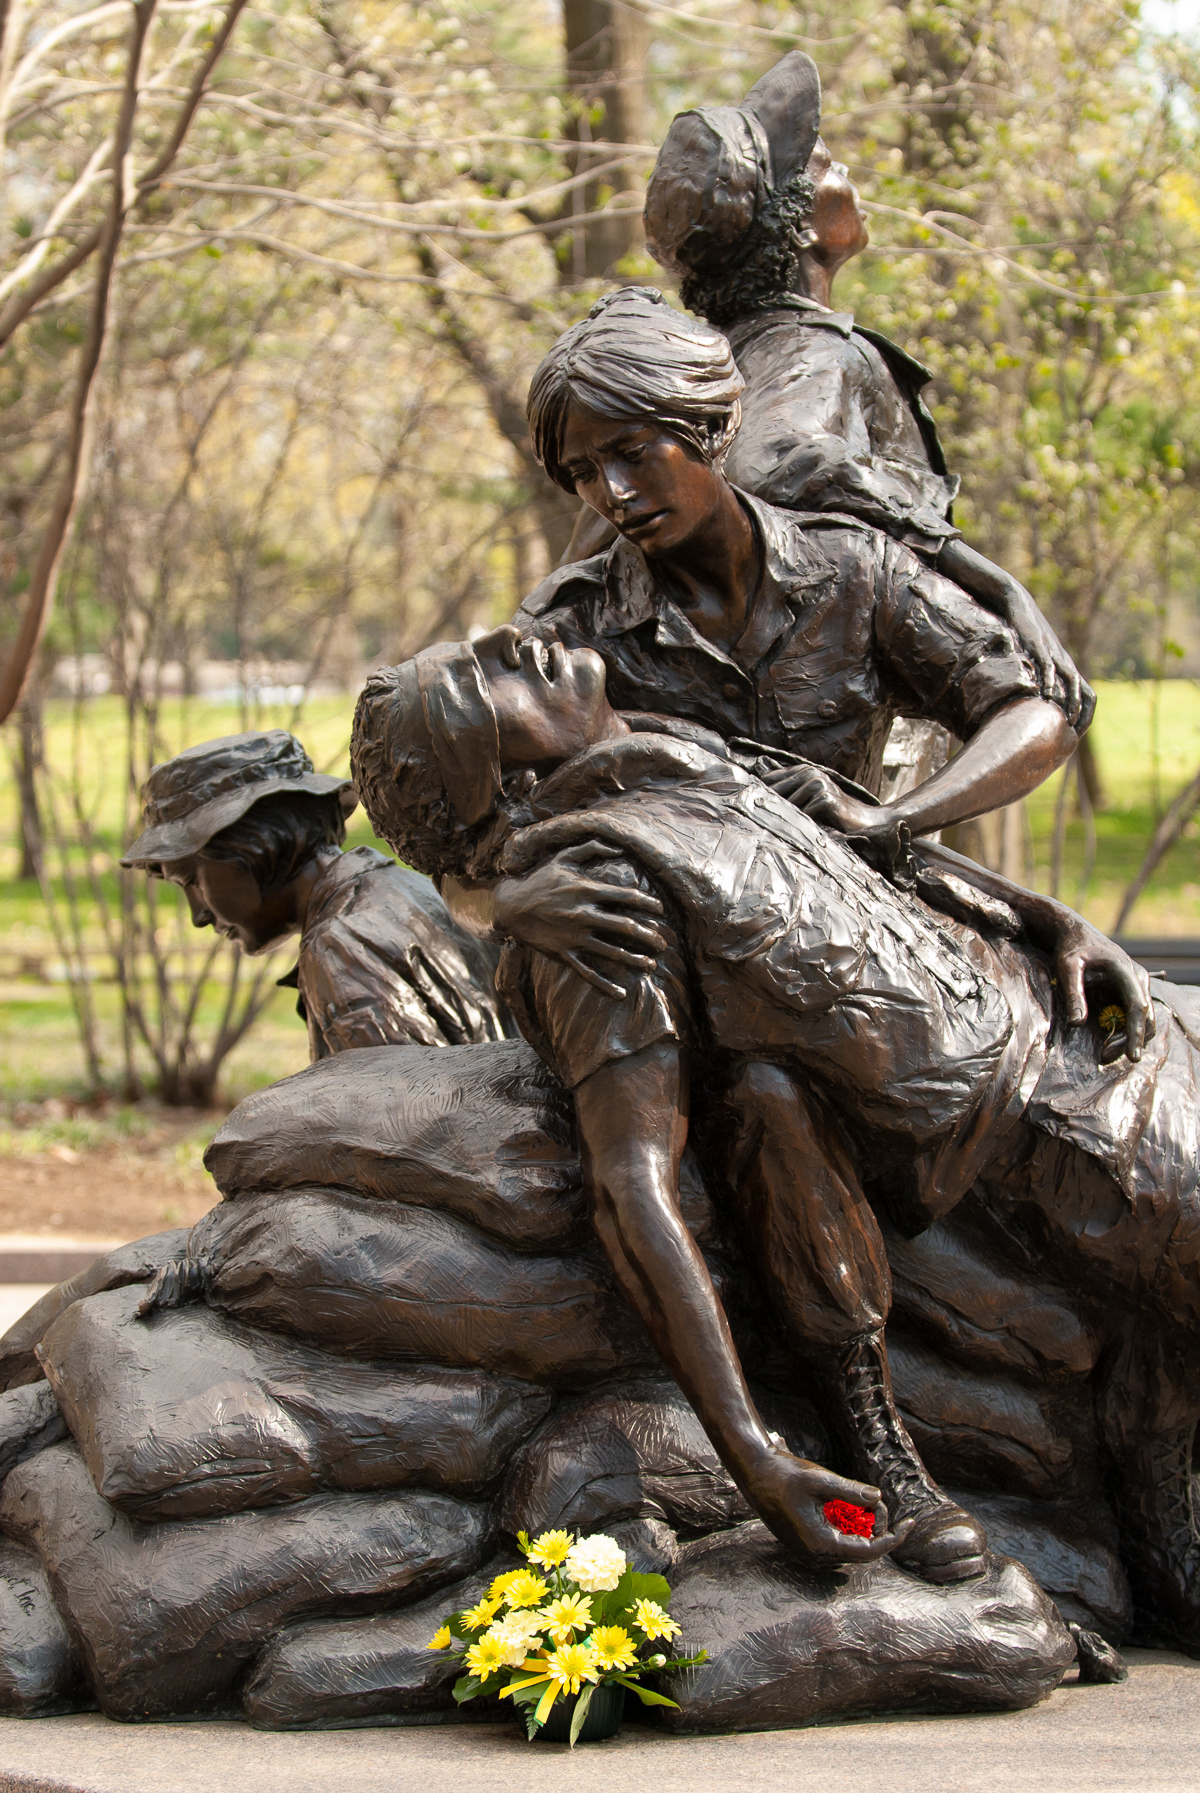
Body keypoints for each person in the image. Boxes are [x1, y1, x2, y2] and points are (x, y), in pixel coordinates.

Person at [350, 627, 1195, 1603]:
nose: (511, 636)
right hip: (1023, 1118)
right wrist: (755, 1456)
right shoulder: (594, 904)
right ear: (503, 782)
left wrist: (1051, 919)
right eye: (479, 678)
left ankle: (1160, 1531)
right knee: (771, 1099)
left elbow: (871, 852)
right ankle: (889, 1449)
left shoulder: (668, 750)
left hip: (1067, 1018)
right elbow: (632, 1186)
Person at [566, 51, 1086, 730]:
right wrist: (989, 580)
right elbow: (773, 460)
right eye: (829, 166)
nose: (848, 177)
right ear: (801, 223)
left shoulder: (691, 370)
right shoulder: (819, 352)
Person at [120, 729, 512, 1058]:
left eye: (191, 880)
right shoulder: (405, 890)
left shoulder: (341, 952)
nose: (198, 915)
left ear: (256, 845)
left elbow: (401, 1120)